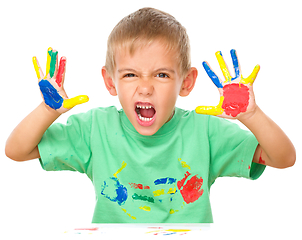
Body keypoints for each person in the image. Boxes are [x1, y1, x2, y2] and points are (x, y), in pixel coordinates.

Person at [5, 7, 295, 223]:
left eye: (161, 74)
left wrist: (251, 115)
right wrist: (47, 110)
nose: (145, 88)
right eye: (130, 74)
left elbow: (283, 158)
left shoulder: (205, 131)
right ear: (110, 81)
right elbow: (16, 150)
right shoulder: (95, 129)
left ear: (186, 82)